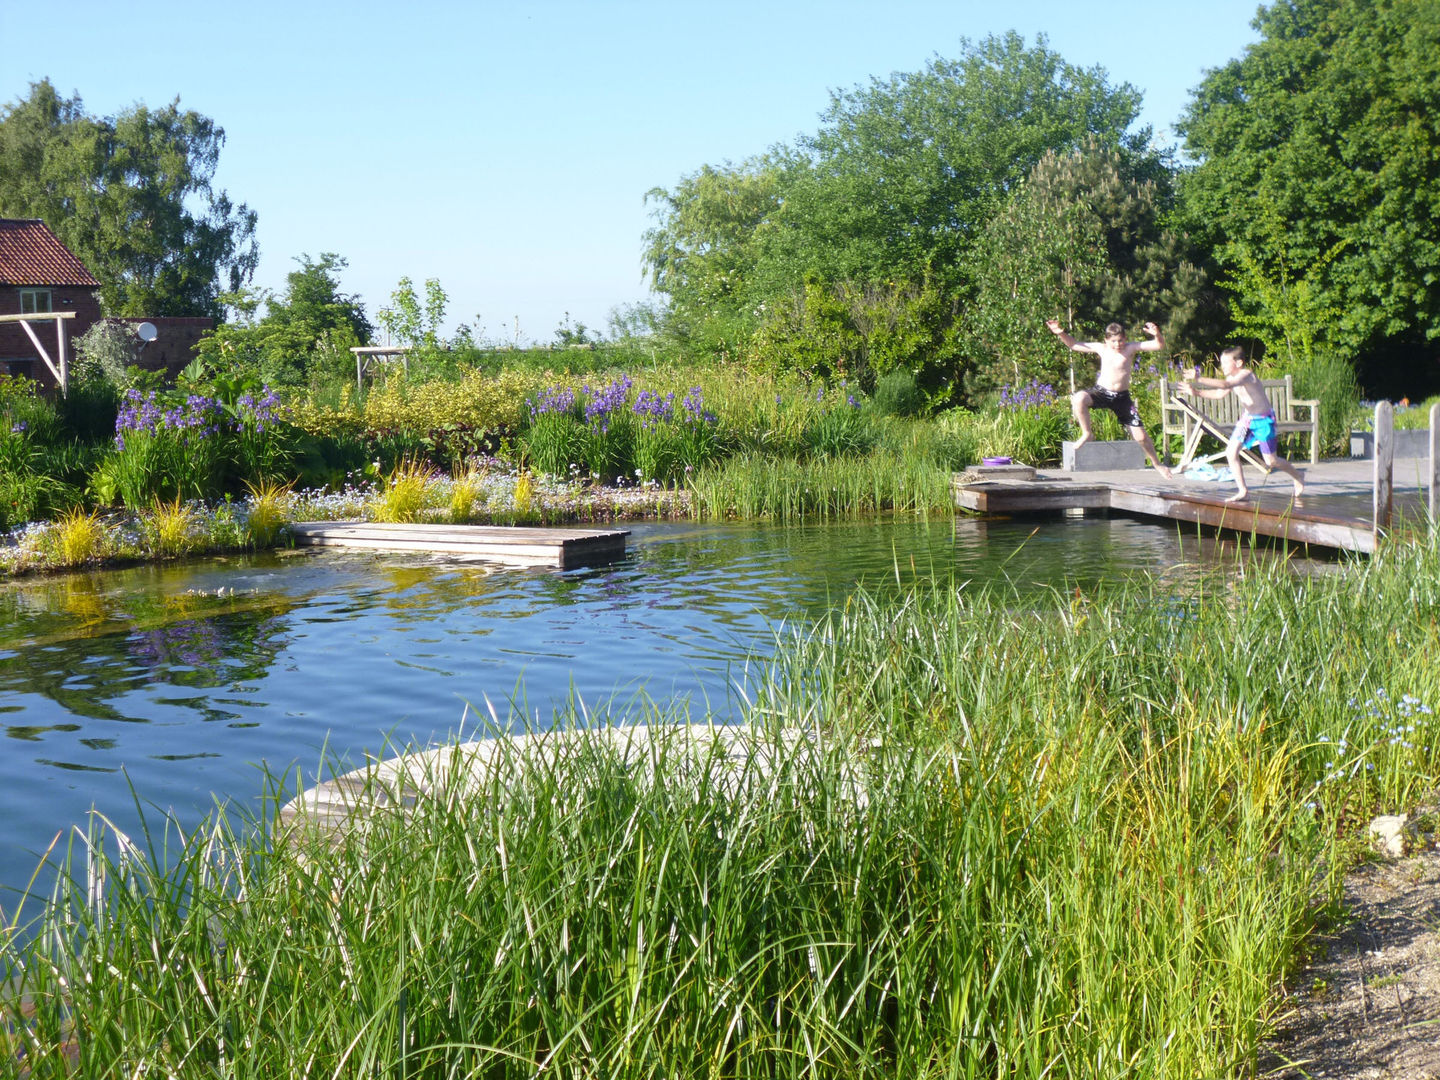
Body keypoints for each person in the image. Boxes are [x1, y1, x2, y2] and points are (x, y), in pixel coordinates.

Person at [1045, 318, 1171, 478]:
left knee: (1141, 436)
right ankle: (1087, 433)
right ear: (1106, 340)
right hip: (1102, 392)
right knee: (1078, 398)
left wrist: (1157, 334)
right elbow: (1074, 345)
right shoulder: (1101, 348)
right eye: (1113, 341)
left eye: (1120, 340)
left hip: (1122, 399)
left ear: (1125, 338)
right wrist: (1060, 332)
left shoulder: (1131, 348)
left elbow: (1159, 345)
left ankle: (1157, 464)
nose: (1117, 344)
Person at [1178, 345, 1306, 502]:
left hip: (1264, 421)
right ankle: (1243, 491)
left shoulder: (1246, 375)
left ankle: (1298, 475)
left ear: (1238, 363)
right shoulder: (1232, 378)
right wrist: (1197, 392)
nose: (1222, 366)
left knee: (1271, 461)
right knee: (1231, 452)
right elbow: (1219, 394)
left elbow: (1225, 386)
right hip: (1247, 420)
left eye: (1226, 363)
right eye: (1222, 363)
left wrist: (1198, 378)